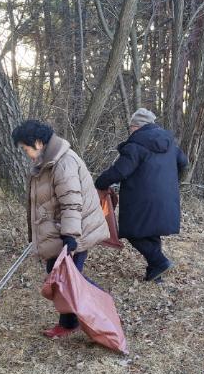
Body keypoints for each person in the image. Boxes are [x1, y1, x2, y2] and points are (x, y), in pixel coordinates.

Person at [13, 120, 110, 339]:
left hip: (74, 233)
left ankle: (102, 310)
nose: (25, 153)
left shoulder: (63, 163)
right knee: (62, 279)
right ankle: (69, 322)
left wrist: (70, 237)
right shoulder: (47, 162)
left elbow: (72, 203)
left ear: (38, 142)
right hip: (60, 232)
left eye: (25, 148)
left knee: (69, 280)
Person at [95, 108, 188, 282]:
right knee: (151, 232)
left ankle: (160, 262)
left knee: (133, 231)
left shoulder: (136, 145)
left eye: (131, 127)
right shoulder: (169, 144)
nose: (130, 131)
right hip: (167, 198)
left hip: (141, 199)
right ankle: (155, 273)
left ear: (137, 127)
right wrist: (173, 182)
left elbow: (120, 171)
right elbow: (184, 163)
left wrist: (100, 183)